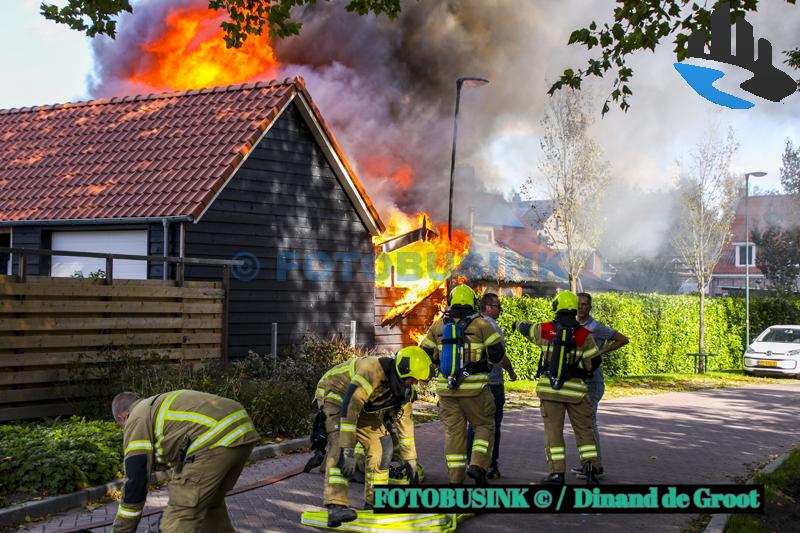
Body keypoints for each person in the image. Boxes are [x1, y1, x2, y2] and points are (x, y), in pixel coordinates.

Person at [315, 346, 433, 527]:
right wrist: (348, 449)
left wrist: (410, 460)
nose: (414, 384)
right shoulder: (371, 370)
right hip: (336, 396)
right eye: (413, 380)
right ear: (403, 371)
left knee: (383, 447)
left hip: (363, 405)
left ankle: (374, 501)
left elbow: (406, 427)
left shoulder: (404, 391)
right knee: (338, 446)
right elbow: (350, 407)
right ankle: (335, 506)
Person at [111, 389, 259, 533]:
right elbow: (182, 449)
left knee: (180, 515)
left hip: (215, 438)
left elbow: (136, 480)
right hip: (241, 428)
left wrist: (122, 530)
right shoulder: (152, 407)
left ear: (121, 418)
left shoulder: (136, 418)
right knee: (209, 506)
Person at [514, 290, 602, 485]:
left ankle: (556, 474)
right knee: (585, 432)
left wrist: (516, 324)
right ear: (575, 309)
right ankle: (590, 470)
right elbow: (593, 363)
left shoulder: (545, 329)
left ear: (556, 306)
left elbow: (526, 329)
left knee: (553, 433)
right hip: (577, 392)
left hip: (550, 391)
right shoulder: (584, 335)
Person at [421, 284, 505, 486]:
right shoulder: (482, 325)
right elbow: (497, 354)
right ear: (473, 303)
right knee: (484, 426)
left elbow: (425, 354)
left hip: (447, 391)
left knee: (453, 435)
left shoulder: (439, 326)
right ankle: (477, 465)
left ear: (451, 302)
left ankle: (455, 480)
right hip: (476, 390)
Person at [569, 292, 629, 479]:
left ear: (590, 307)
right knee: (583, 424)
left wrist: (602, 351)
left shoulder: (596, 328)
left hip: (593, 383)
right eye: (578, 304)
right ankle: (587, 464)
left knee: (589, 423)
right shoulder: (570, 325)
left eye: (585, 304)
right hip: (578, 381)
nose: (581, 307)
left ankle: (596, 466)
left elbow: (622, 339)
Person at [466, 292, 517, 480]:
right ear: (487, 307)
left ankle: (470, 462)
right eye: (497, 306)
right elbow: (500, 356)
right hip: (492, 383)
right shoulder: (491, 327)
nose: (500, 309)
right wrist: (511, 372)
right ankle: (489, 465)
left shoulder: (469, 324)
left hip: (471, 383)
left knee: (474, 425)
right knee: (491, 426)